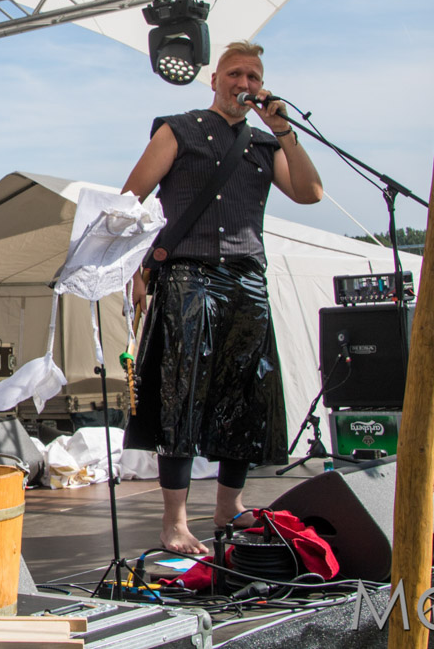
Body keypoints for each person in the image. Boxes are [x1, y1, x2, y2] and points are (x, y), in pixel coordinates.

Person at [120, 40, 323, 556]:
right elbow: (130, 201)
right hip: (188, 274)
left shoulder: (266, 144)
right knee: (181, 396)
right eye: (235, 73)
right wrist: (135, 270)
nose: (244, 84)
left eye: (253, 77)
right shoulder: (178, 129)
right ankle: (174, 522)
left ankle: (228, 507)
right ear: (214, 79)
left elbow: (310, 193)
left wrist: (285, 131)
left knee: (247, 397)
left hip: (248, 277)